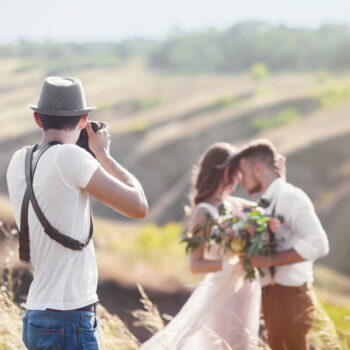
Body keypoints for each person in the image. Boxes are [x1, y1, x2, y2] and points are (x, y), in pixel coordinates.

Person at [6, 76, 148, 350]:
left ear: (38, 119)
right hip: (69, 315)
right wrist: (103, 154)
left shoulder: (19, 160)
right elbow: (138, 206)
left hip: (35, 313)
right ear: (84, 120)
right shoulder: (71, 158)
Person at [141, 142, 263, 350]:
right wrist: (229, 261)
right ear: (224, 171)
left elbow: (266, 212)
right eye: (235, 173)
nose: (239, 179)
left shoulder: (234, 204)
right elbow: (196, 265)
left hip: (246, 288)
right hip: (221, 293)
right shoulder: (203, 212)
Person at [231, 139, 329, 350]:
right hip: (275, 296)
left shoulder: (290, 198)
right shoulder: (269, 201)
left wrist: (266, 260)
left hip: (289, 297)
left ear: (258, 169)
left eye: (242, 172)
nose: (240, 180)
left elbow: (319, 244)